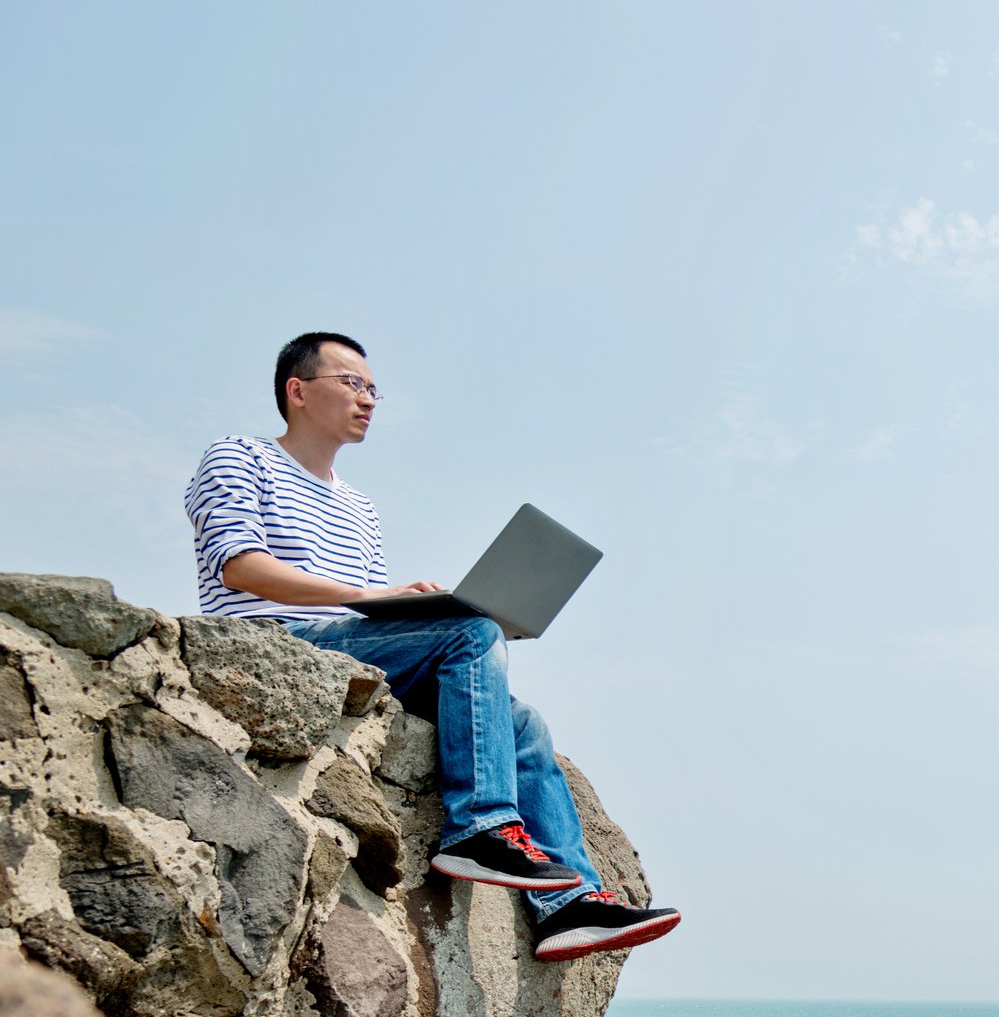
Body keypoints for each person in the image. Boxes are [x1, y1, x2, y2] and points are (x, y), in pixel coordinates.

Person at [184, 332, 679, 961]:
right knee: (472, 632)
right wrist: (374, 598)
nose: (369, 399)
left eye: (374, 389)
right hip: (275, 643)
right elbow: (241, 568)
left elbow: (362, 611)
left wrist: (399, 605)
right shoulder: (238, 456)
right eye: (353, 384)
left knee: (521, 719)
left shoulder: (358, 506)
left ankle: (568, 906)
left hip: (349, 651)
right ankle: (479, 828)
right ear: (298, 390)